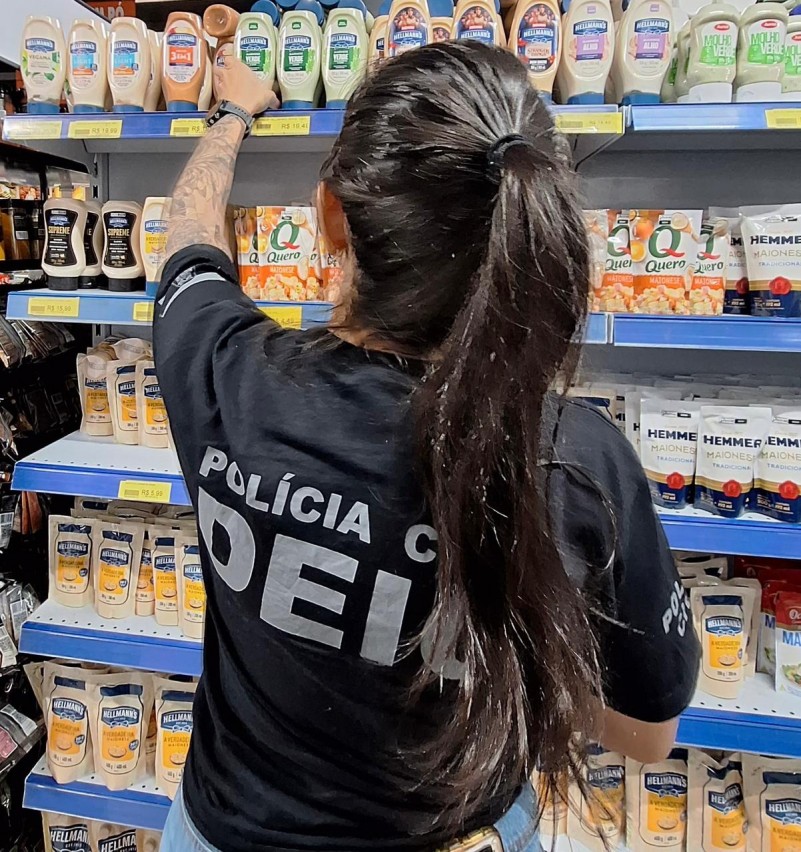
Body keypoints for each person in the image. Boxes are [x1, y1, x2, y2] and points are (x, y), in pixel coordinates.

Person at [154, 42, 699, 852]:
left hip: (225, 830)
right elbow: (647, 734)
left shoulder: (225, 371)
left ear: (330, 216)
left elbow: (187, 232)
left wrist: (233, 111)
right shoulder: (574, 460)